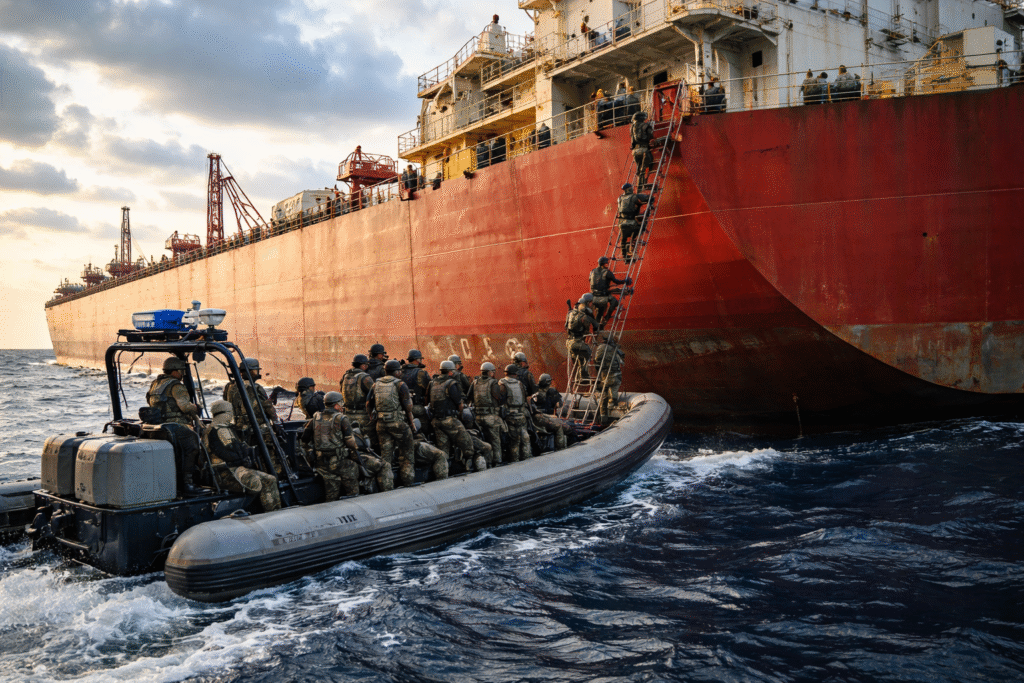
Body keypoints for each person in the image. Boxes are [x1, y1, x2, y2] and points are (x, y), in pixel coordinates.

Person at [305, 392, 392, 500]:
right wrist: (358, 449)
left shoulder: (315, 418)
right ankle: (356, 496)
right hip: (339, 462)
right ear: (336, 405)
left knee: (331, 493)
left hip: (321, 464)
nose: (343, 406)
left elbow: (304, 439)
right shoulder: (342, 419)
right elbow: (351, 443)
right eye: (341, 403)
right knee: (355, 467)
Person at [202, 400, 282, 511]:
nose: (231, 416)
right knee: (257, 481)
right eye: (229, 413)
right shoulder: (214, 431)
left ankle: (274, 511)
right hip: (225, 473)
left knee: (271, 479)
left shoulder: (225, 429)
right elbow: (226, 454)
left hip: (236, 469)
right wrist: (243, 456)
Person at [225, 357, 286, 476]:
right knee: (270, 451)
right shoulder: (256, 387)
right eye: (255, 371)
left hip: (238, 429)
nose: (256, 374)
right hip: (257, 428)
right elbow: (267, 407)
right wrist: (276, 423)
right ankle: (275, 475)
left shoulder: (229, 387)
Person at [367, 359, 417, 487]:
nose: (401, 373)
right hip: (397, 424)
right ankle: (408, 482)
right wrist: (412, 424)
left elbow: (368, 404)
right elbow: (408, 407)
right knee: (406, 453)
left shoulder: (376, 384)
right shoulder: (400, 384)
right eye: (400, 370)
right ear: (396, 372)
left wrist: (372, 417)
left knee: (385, 457)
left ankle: (386, 486)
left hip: (381, 425)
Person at [428, 360, 478, 465]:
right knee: (467, 443)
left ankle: (444, 470)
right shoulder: (451, 383)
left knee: (443, 449)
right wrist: (459, 415)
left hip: (436, 421)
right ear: (450, 372)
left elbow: (427, 400)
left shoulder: (432, 383)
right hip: (450, 420)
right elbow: (459, 403)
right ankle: (469, 464)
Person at [468, 361, 505, 465]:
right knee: (495, 440)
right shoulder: (493, 382)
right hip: (491, 417)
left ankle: (486, 462)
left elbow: (469, 397)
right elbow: (499, 398)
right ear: (490, 372)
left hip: (478, 418)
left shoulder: (475, 382)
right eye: (493, 372)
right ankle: (497, 461)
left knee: (483, 441)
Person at [341, 354, 379, 451]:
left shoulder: (345, 376)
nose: (367, 367)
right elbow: (374, 394)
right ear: (362, 365)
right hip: (363, 416)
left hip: (348, 415)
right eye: (366, 365)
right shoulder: (365, 377)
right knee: (370, 442)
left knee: (353, 442)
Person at [147, 357, 199, 427]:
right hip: (176, 425)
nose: (182, 375)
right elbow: (185, 407)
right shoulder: (176, 385)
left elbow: (149, 401)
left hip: (159, 424)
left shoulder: (155, 383)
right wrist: (196, 408)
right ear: (174, 371)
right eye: (181, 371)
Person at [498, 364, 532, 462]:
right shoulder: (520, 384)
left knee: (514, 441)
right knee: (525, 438)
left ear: (506, 373)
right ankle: (527, 459)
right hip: (521, 416)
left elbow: (500, 400)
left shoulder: (502, 383)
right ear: (515, 374)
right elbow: (525, 397)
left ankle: (515, 462)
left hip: (510, 417)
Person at [565, 294, 600, 379]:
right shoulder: (585, 316)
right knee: (589, 356)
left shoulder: (570, 314)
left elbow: (566, 327)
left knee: (579, 358)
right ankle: (596, 374)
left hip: (569, 343)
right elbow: (595, 326)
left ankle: (583, 376)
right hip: (579, 343)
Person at [530, 374, 567, 451]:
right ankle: (561, 449)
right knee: (565, 428)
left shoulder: (534, 391)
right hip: (548, 420)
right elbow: (559, 404)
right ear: (548, 382)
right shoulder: (552, 391)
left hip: (534, 421)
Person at [593, 334, 626, 419]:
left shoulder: (600, 348)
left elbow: (596, 360)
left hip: (604, 377)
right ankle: (611, 406)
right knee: (614, 389)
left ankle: (603, 416)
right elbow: (622, 362)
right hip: (614, 376)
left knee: (603, 394)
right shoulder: (615, 351)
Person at [590, 256, 630, 325]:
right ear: (603, 264)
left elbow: (591, 281)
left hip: (594, 296)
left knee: (600, 312)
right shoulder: (607, 272)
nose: (608, 264)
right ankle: (606, 318)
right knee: (615, 302)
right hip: (603, 295)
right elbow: (616, 282)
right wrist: (625, 281)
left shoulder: (592, 271)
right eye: (606, 263)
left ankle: (595, 330)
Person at [402, 349, 432, 439]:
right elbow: (429, 387)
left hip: (402, 407)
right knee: (426, 428)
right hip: (416, 406)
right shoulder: (420, 372)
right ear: (417, 360)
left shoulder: (400, 371)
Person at [617, 183, 652, 262]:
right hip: (631, 222)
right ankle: (632, 248)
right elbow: (642, 200)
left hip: (622, 223)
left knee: (623, 239)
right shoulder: (633, 197)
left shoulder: (620, 198)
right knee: (639, 229)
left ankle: (625, 257)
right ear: (630, 189)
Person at [630, 111, 655, 185]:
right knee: (648, 164)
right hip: (644, 149)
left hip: (635, 151)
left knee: (639, 167)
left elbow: (632, 140)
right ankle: (643, 182)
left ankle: (638, 183)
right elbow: (651, 135)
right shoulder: (646, 126)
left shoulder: (632, 127)